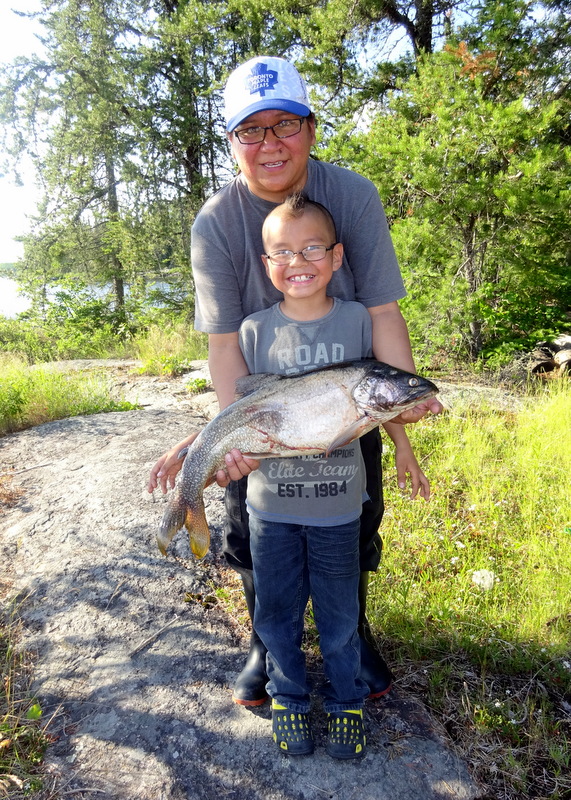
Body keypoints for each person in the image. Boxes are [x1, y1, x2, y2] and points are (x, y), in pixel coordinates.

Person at [148, 55, 442, 707]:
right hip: (263, 395)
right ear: (231, 144)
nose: (269, 143)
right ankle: (265, 642)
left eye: (284, 125)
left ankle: (352, 634)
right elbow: (224, 345)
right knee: (253, 527)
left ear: (311, 129)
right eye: (250, 131)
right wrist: (238, 436)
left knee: (356, 515)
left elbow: (382, 312)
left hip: (340, 388)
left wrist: (406, 403)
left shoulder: (352, 196)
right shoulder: (215, 224)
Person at [241, 192, 428, 758]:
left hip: (339, 506)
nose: (299, 262)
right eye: (284, 253)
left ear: (338, 256)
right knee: (274, 614)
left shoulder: (355, 319)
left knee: (341, 613)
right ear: (268, 264)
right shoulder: (252, 330)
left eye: (313, 248)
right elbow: (239, 414)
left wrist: (403, 446)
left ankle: (347, 697)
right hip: (270, 506)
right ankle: (290, 698)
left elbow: (381, 396)